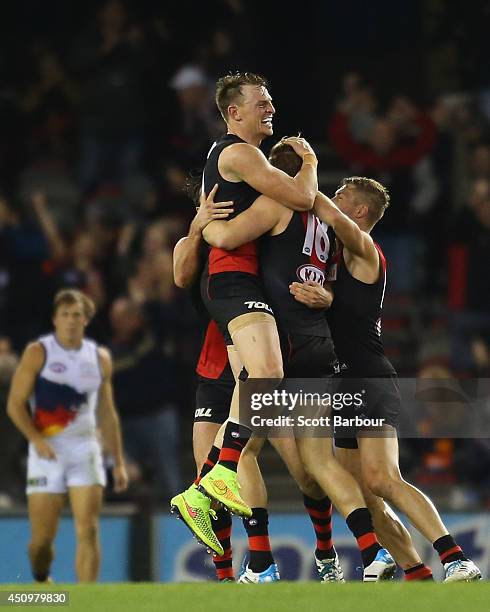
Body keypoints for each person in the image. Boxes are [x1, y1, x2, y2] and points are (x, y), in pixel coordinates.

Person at [202, 140, 398, 582]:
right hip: (319, 343)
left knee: (243, 449)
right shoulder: (332, 227)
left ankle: (257, 563)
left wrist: (202, 224)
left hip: (281, 341)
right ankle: (369, 554)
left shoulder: (276, 206)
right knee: (318, 464)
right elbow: (335, 283)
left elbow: (227, 237)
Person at [289, 176, 482, 583]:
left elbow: (317, 205)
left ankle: (456, 557)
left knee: (384, 478)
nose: (332, 199)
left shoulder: (364, 247)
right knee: (363, 496)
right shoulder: (334, 261)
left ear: (359, 211)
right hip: (340, 384)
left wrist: (299, 172)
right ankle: (416, 571)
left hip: (368, 377)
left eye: (341, 196)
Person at [170, 71, 320, 549]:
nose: (270, 107)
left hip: (236, 286)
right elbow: (302, 196)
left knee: (254, 390)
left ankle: (212, 486)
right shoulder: (239, 153)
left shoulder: (234, 163)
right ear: (233, 113)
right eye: (262, 101)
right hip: (232, 282)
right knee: (268, 376)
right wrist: (310, 164)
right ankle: (219, 477)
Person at [173, 195, 342, 582]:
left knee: (305, 471)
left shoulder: (262, 227)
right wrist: (198, 226)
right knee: (215, 468)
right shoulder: (200, 238)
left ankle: (326, 551)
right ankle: (241, 573)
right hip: (217, 363)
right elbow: (181, 276)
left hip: (267, 357)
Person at [7, 289, 128, 583]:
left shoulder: (99, 358)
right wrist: (35, 440)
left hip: (85, 448)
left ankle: (85, 601)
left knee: (88, 529)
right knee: (41, 542)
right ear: (55, 319)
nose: (71, 321)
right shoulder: (39, 352)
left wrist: (118, 460)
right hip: (47, 449)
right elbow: (15, 404)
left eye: (77, 315)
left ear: (86, 320)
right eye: (65, 315)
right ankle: (40, 575)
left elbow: (107, 413)